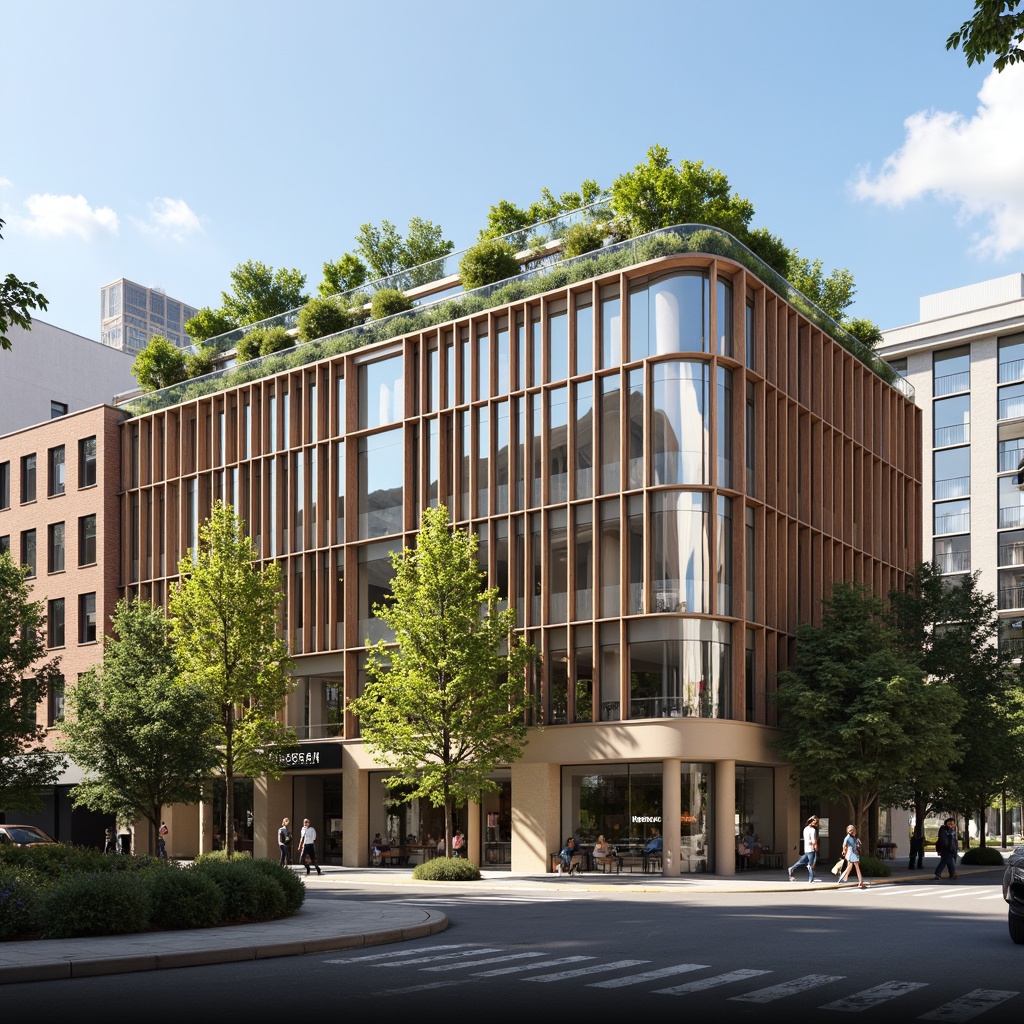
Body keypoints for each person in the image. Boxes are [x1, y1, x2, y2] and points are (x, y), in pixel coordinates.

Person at [788, 815, 820, 882]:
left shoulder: (805, 829)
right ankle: (811, 878)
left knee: (801, 862)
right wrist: (816, 846)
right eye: (815, 822)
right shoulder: (812, 830)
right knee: (810, 864)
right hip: (811, 849)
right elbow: (814, 840)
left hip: (806, 848)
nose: (816, 824)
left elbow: (806, 839)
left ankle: (791, 868)